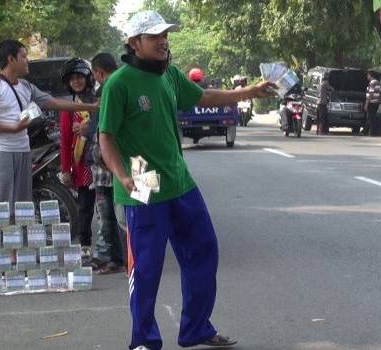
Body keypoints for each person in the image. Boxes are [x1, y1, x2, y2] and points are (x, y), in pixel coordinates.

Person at [98, 11, 276, 350]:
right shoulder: (119, 84)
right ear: (134, 43)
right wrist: (122, 176)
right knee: (148, 266)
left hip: (180, 179)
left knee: (204, 250)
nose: (164, 40)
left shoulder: (169, 75)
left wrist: (250, 91)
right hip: (142, 179)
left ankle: (196, 327)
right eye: (155, 36)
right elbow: (106, 138)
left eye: (165, 34)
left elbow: (203, 98)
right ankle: (144, 340)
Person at [0, 39, 97, 208]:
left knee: (20, 206)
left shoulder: (25, 86)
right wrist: (13, 128)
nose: (27, 61)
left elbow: (54, 103)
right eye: (23, 56)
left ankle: (15, 235)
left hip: (23, 151)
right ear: (11, 59)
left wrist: (89, 106)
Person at [89, 52, 126, 274]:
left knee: (126, 218)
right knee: (110, 218)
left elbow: (105, 134)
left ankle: (133, 259)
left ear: (98, 73)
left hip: (124, 168)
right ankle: (116, 260)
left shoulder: (114, 88)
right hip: (109, 169)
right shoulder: (116, 87)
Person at [59, 58, 97, 259]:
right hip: (82, 164)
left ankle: (113, 246)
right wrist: (65, 169)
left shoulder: (98, 99)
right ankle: (85, 243)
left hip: (103, 159)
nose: (76, 81)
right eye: (72, 79)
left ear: (88, 77)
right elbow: (65, 140)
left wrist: (87, 128)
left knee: (107, 206)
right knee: (85, 206)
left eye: (79, 77)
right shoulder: (67, 106)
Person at [363, 71, 381, 136]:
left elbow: (371, 94)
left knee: (370, 118)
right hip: (376, 103)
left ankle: (372, 132)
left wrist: (366, 103)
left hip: (371, 103)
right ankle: (365, 131)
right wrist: (379, 101)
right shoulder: (378, 82)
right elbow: (380, 93)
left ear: (370, 75)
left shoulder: (372, 83)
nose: (367, 77)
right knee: (372, 117)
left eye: (368, 75)